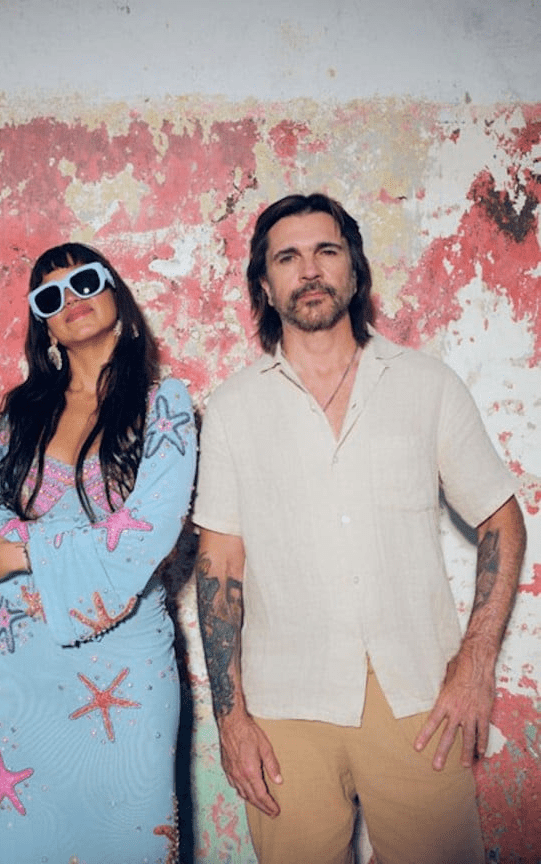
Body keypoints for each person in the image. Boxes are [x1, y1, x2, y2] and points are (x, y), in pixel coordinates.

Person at [192, 193, 526, 864]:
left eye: (326, 251)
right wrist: (231, 720)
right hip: (285, 709)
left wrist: (475, 662)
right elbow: (218, 566)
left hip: (419, 696)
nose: (309, 270)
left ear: (354, 269)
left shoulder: (426, 384)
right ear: (265, 285)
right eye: (287, 257)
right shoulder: (232, 409)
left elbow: (501, 518)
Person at [0, 242, 196, 864]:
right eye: (50, 296)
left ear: (115, 291)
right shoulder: (18, 415)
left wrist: (25, 553)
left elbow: (148, 533)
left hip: (129, 664)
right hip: (26, 666)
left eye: (85, 281)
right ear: (43, 323)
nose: (70, 300)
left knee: (132, 835)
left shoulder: (165, 404)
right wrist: (31, 561)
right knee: (33, 837)